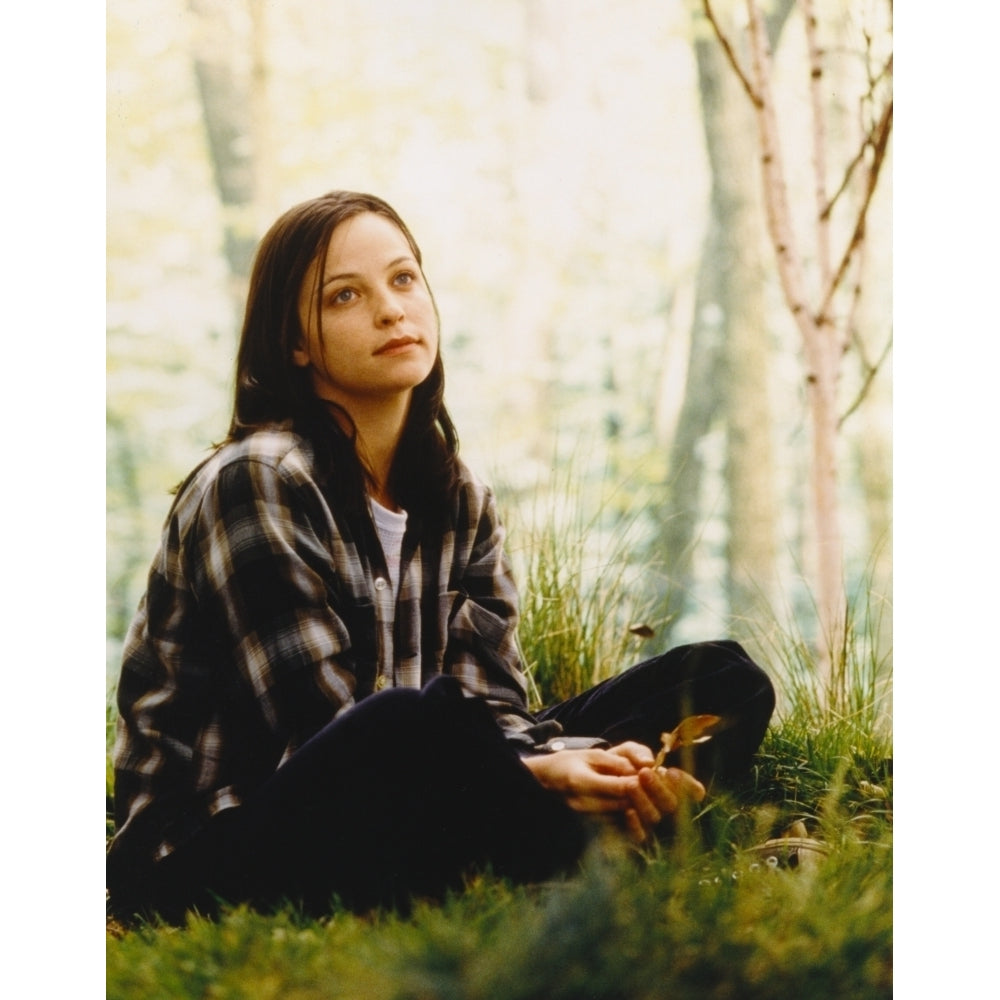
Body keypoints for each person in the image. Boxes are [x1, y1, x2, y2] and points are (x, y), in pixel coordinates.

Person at [107, 191, 775, 924]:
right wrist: (538, 774)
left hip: (416, 803)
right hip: (214, 849)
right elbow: (327, 735)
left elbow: (493, 711)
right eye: (344, 297)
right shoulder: (257, 481)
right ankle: (576, 841)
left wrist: (600, 766)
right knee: (405, 722)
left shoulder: (457, 496)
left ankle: (602, 819)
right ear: (295, 341)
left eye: (403, 280)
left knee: (723, 679)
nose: (391, 311)